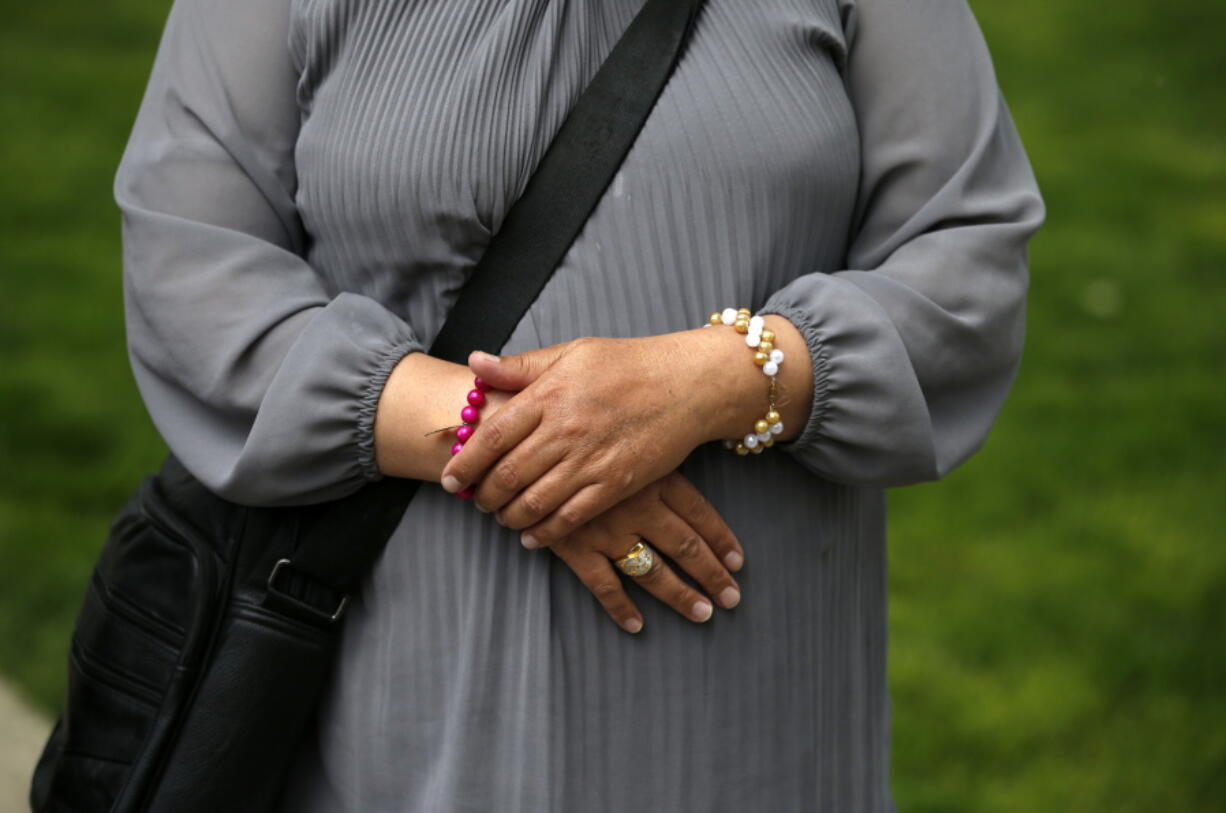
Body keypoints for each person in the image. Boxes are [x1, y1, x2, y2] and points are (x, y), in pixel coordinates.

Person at [114, 0, 1044, 809]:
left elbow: (965, 253)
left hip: (754, 687)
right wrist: (514, 434)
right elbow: (190, 261)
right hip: (410, 678)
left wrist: (723, 378)